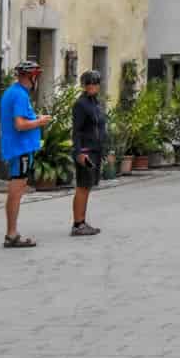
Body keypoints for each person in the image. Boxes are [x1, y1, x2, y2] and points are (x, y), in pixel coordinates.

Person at [0, 60, 51, 248]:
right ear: (31, 77)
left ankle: (11, 233)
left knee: (17, 189)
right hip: (20, 148)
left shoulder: (14, 93)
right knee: (16, 190)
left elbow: (21, 119)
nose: (37, 79)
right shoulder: (19, 95)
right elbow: (19, 124)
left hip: (18, 147)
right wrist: (40, 122)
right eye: (36, 75)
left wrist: (35, 118)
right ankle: (11, 234)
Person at [70, 69, 108, 237]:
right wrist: (79, 152)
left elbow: (101, 128)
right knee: (82, 186)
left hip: (96, 150)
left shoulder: (96, 104)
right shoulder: (81, 104)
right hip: (85, 151)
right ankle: (78, 224)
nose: (92, 86)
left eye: (95, 83)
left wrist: (107, 149)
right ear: (84, 86)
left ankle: (82, 221)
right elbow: (76, 131)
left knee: (88, 186)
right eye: (89, 83)